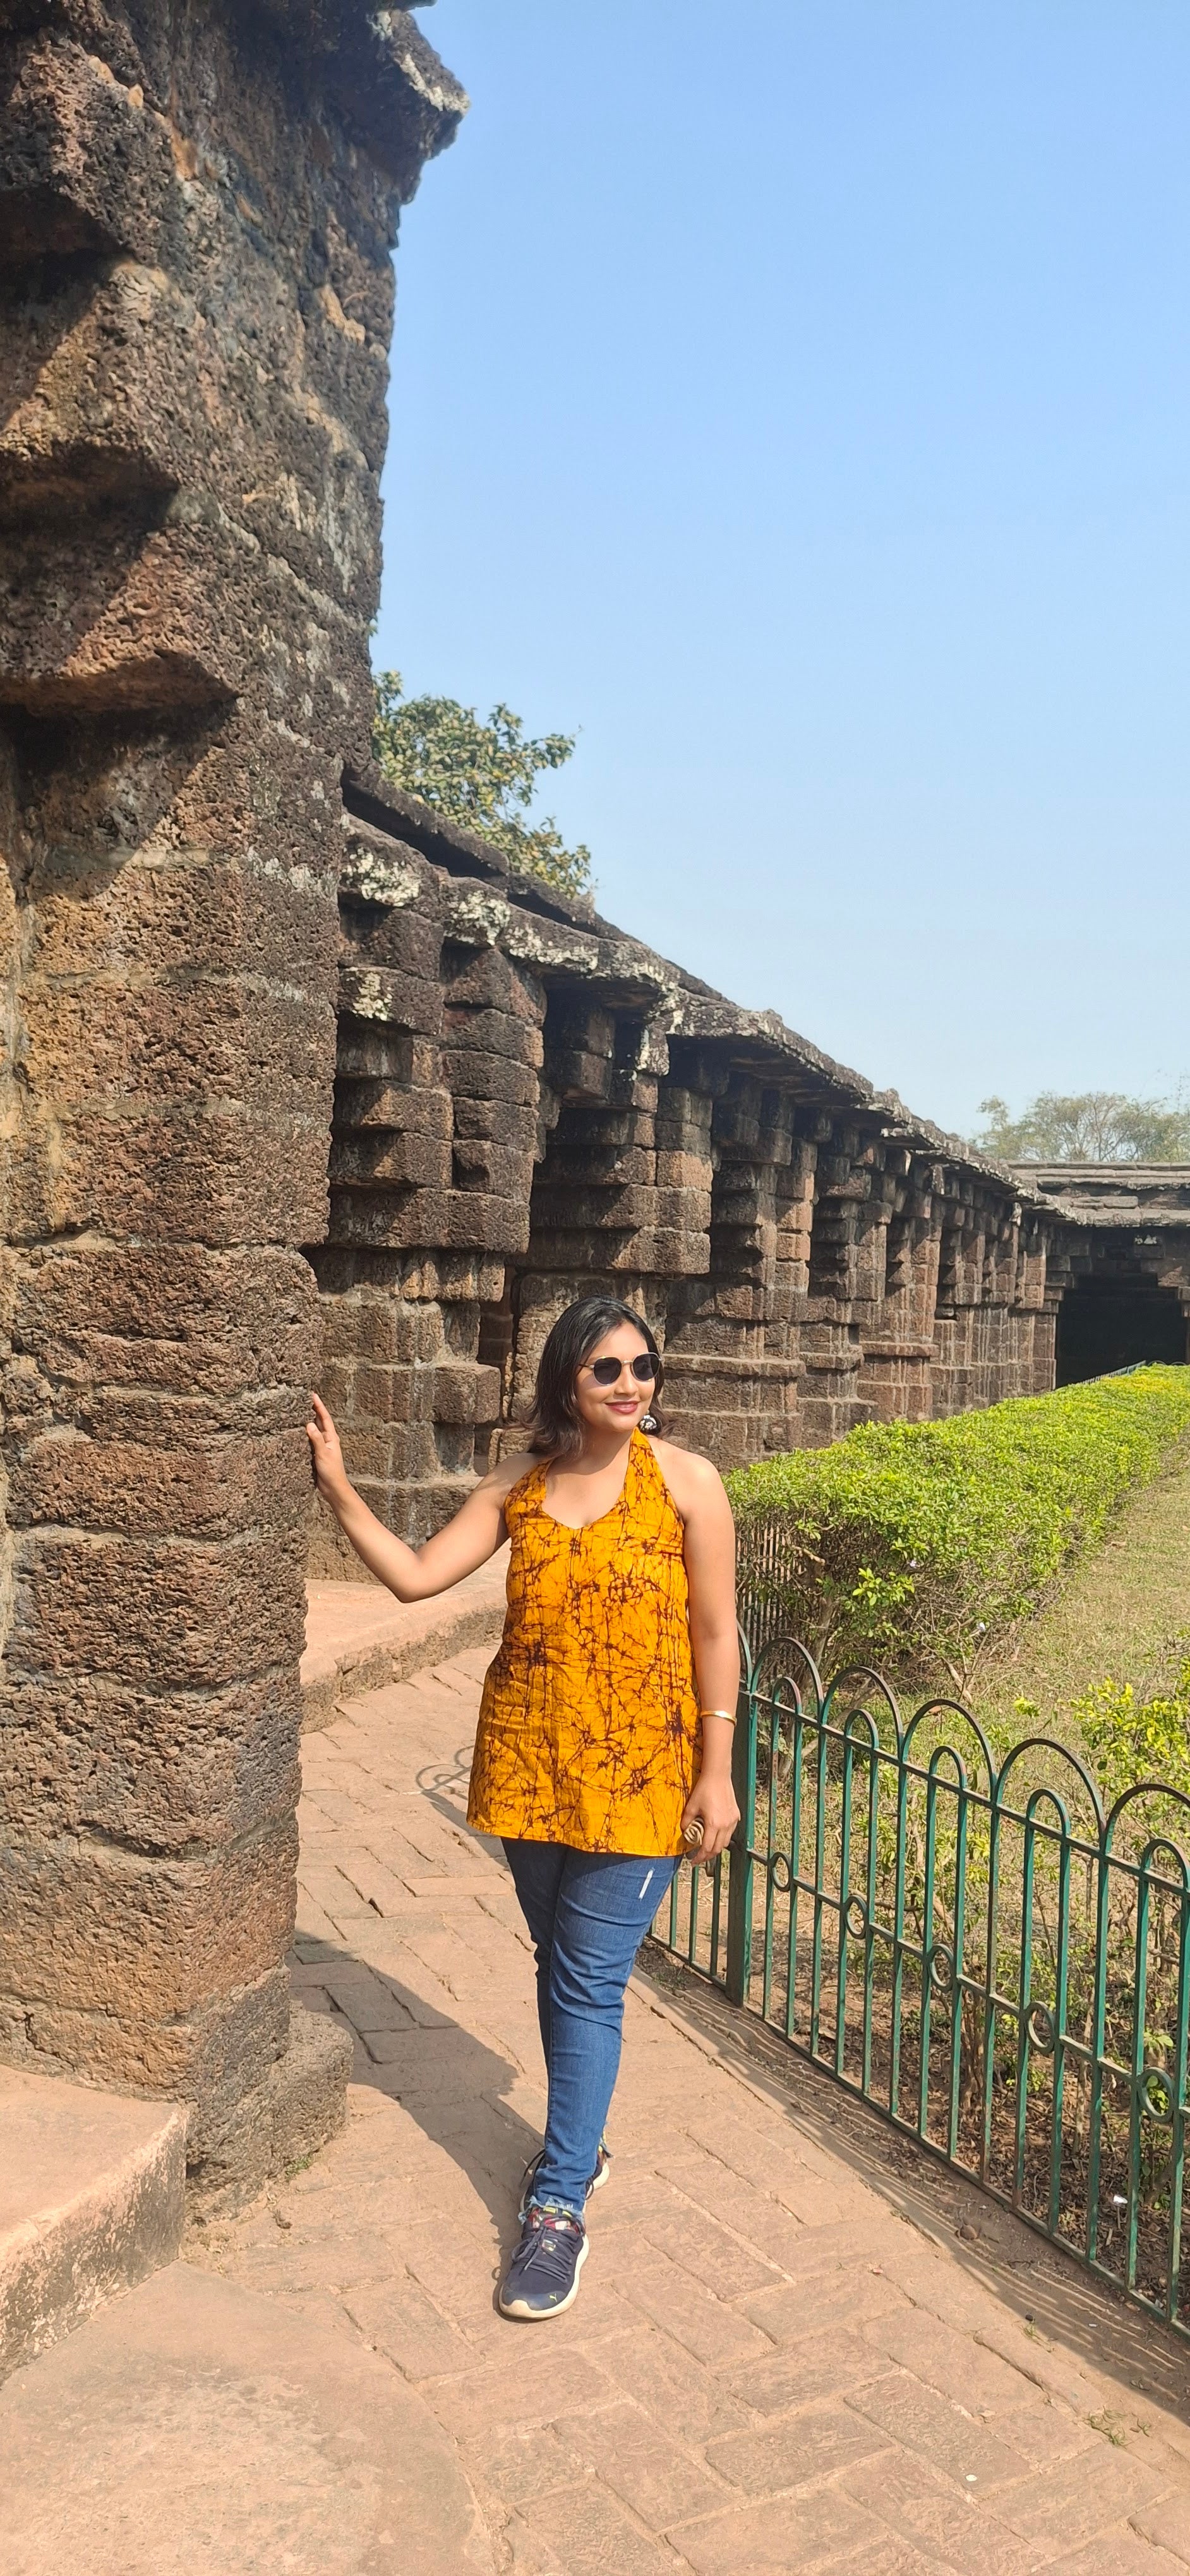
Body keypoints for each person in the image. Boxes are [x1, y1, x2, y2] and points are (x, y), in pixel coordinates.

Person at [307, 1296, 740, 2322]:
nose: (630, 1384)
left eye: (644, 1365)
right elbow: (418, 1578)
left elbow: (716, 1632)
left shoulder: (686, 1483)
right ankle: (580, 2144)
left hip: (643, 1772)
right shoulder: (523, 1484)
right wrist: (339, 1490)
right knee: (558, 1964)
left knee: (588, 1982)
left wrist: (718, 1771)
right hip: (528, 1764)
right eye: (607, 1369)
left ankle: (559, 2203)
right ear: (565, 1380)